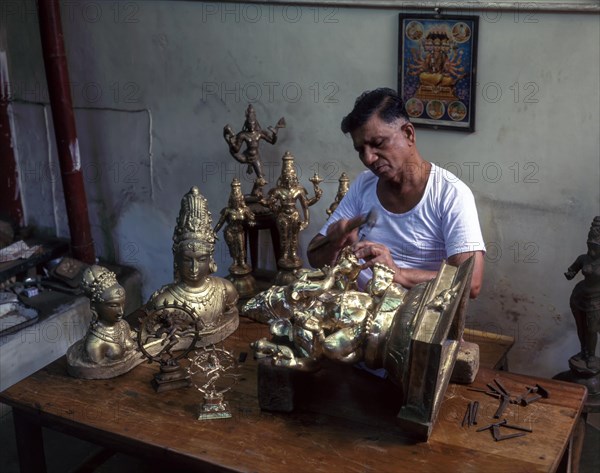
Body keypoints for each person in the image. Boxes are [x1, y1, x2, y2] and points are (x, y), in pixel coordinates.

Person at [307, 88, 485, 298]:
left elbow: (471, 283)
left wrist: (397, 273)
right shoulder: (365, 183)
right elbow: (314, 257)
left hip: (416, 318)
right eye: (360, 150)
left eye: (378, 144)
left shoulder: (450, 194)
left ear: (408, 134)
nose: (369, 158)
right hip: (358, 311)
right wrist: (334, 243)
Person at [146, 186, 239, 347]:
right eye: (187, 260)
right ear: (177, 260)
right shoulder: (164, 302)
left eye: (201, 259)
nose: (194, 268)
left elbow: (231, 312)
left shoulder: (225, 290)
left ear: (210, 259)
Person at [565, 216, 600, 374]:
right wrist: (570, 273)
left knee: (592, 329)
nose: (592, 249)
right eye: (590, 245)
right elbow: (573, 269)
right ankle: (583, 351)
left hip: (596, 300)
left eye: (596, 247)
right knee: (581, 327)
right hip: (579, 297)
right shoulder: (583, 258)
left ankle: (591, 356)